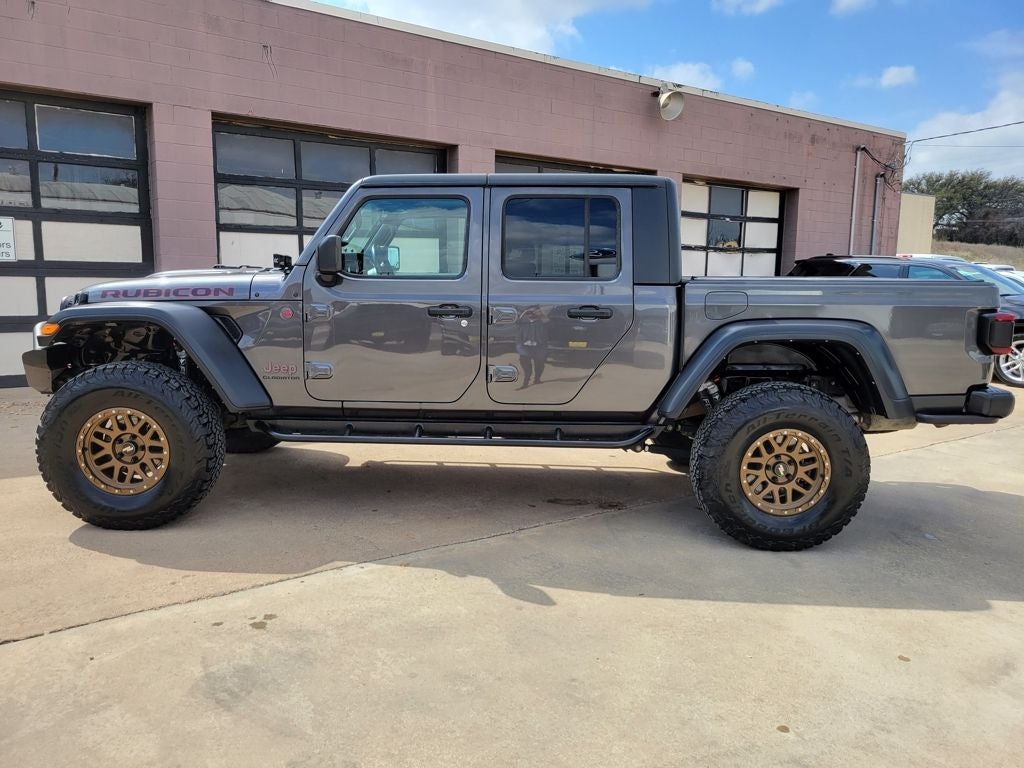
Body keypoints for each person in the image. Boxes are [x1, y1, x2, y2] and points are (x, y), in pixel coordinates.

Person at [515, 306, 548, 388]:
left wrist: (540, 313)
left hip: (539, 347)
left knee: (540, 365)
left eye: (533, 312)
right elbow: (517, 321)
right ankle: (525, 382)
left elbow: (547, 321)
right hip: (525, 347)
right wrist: (525, 311)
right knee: (526, 366)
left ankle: (537, 379)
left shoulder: (542, 322)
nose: (531, 314)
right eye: (529, 313)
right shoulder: (523, 322)